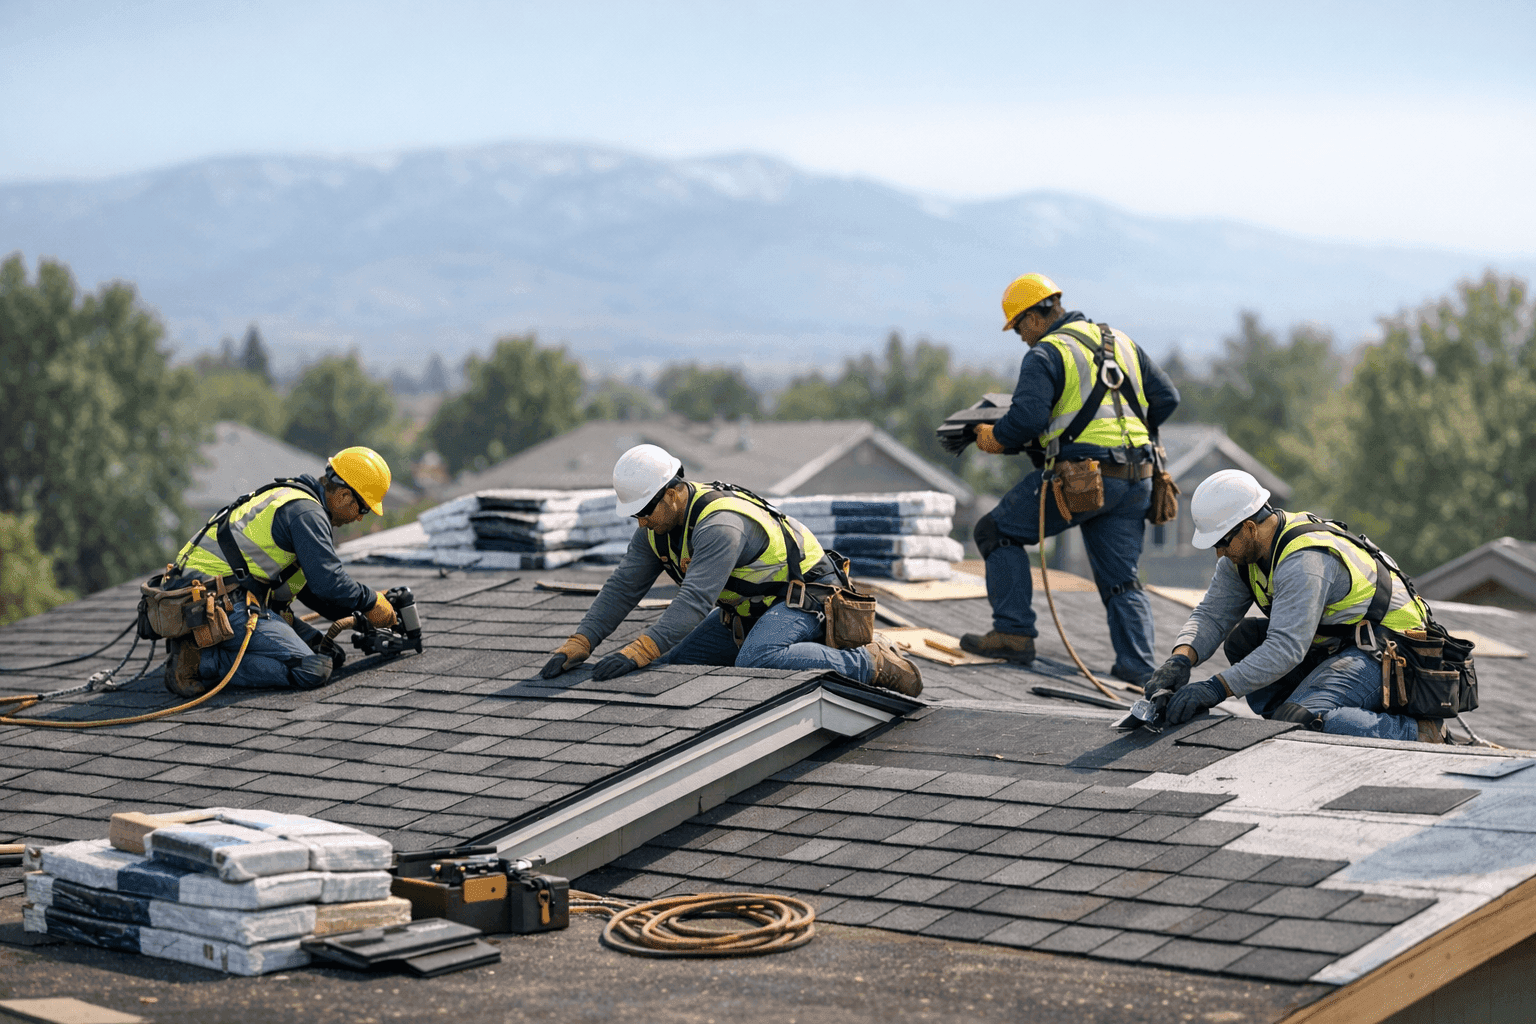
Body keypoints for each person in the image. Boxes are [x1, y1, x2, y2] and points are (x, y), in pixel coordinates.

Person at [539, 444, 923, 695]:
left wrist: (639, 648)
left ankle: (869, 660)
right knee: (669, 667)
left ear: (673, 493)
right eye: (634, 514)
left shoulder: (719, 525)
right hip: (752, 611)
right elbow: (623, 587)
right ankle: (805, 652)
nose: (640, 523)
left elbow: (693, 601)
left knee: (757, 659)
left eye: (644, 511)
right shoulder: (656, 529)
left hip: (807, 599)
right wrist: (581, 642)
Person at [958, 273, 1180, 685]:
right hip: (1137, 480)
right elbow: (1167, 398)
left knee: (996, 531)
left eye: (1020, 326)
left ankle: (1013, 633)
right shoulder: (1121, 342)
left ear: (1036, 315)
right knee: (1122, 579)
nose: (1022, 337)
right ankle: (1138, 668)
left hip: (1083, 480)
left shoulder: (1047, 353)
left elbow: (1027, 419)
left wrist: (993, 439)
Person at [1143, 469, 1444, 742]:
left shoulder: (1304, 560)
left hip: (1390, 651)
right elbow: (1212, 614)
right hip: (1342, 646)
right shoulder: (1243, 556)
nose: (1220, 554)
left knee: (1304, 720)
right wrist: (1180, 660)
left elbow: (1286, 648)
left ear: (1249, 527)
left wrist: (1215, 689)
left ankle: (1418, 733)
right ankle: (1286, 722)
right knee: (1244, 640)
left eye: (1223, 542)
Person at [161, 446, 399, 696]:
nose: (361, 518)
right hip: (215, 602)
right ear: (343, 496)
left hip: (215, 594)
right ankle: (200, 661)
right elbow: (328, 581)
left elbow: (310, 589)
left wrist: (362, 613)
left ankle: (205, 646)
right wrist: (370, 600)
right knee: (313, 669)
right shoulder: (307, 513)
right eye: (363, 509)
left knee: (329, 654)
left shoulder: (293, 498)